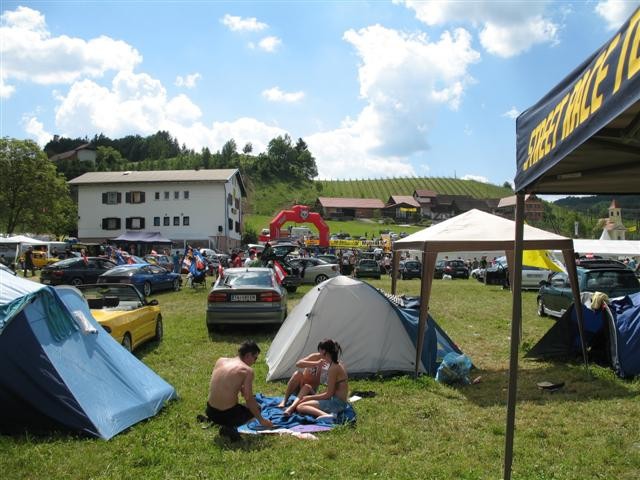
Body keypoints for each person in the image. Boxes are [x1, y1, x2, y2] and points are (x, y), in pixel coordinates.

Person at [205, 340, 274, 441]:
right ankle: (229, 428)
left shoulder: (221, 360)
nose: (254, 362)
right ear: (248, 355)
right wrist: (262, 420)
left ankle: (220, 423)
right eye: (255, 358)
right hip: (226, 416)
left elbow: (223, 383)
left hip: (210, 411)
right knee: (257, 408)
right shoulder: (247, 371)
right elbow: (249, 399)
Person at [284, 339, 349, 420]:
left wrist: (310, 398)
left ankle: (328, 416)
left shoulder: (333, 368)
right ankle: (327, 415)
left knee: (301, 406)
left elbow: (329, 394)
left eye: (320, 350)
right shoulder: (335, 364)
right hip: (335, 400)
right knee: (302, 403)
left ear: (324, 351)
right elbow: (330, 391)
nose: (319, 353)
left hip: (337, 403)